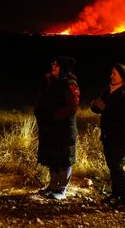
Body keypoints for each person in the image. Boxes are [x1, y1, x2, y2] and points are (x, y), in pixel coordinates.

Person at [90, 63, 125, 210]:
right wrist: (95, 106)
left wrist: (105, 108)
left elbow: (122, 115)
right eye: (111, 73)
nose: (111, 76)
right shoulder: (109, 90)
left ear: (123, 76)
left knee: (117, 166)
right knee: (112, 165)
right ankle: (116, 194)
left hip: (123, 134)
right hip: (108, 134)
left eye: (114, 74)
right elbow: (100, 108)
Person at [33, 56, 80, 200]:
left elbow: (72, 106)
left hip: (63, 127)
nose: (53, 66)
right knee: (52, 156)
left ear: (63, 68)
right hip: (50, 127)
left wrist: (54, 116)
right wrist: (41, 113)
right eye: (53, 63)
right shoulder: (51, 82)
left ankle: (61, 189)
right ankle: (52, 186)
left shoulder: (69, 84)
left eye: (57, 65)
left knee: (64, 158)